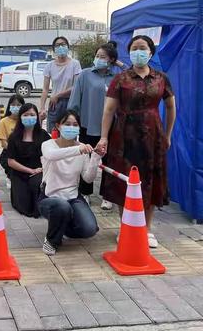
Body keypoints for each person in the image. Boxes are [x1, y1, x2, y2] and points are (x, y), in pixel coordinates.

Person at [96, 35, 176, 249]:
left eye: (143, 48)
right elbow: (109, 110)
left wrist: (167, 134)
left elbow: (170, 107)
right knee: (125, 182)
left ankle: (147, 230)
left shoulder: (161, 79)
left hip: (153, 136)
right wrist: (104, 137)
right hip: (124, 136)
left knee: (150, 181)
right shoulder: (120, 79)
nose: (138, 51)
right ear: (129, 52)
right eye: (134, 48)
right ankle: (126, 228)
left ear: (150, 52)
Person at [38, 110, 103, 255]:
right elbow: (52, 155)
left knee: (90, 229)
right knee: (62, 206)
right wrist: (78, 149)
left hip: (73, 197)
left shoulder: (82, 149)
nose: (71, 127)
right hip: (50, 197)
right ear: (58, 126)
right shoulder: (48, 145)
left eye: (75, 125)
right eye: (67, 124)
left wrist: (95, 157)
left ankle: (61, 225)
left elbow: (88, 178)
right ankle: (51, 240)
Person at [68, 43, 124, 210]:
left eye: (103, 57)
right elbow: (74, 100)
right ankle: (85, 192)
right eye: (97, 56)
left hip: (111, 127)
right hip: (88, 124)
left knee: (109, 162)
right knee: (87, 160)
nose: (98, 59)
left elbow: (133, 72)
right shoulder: (85, 75)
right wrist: (71, 121)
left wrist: (119, 64)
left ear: (111, 60)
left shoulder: (117, 77)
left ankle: (107, 196)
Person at [7, 103, 51, 218]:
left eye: (32, 115)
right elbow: (10, 161)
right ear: (20, 117)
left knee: (37, 185)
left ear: (37, 117)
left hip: (39, 171)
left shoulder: (43, 135)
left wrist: (43, 169)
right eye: (26, 115)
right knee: (24, 205)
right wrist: (30, 170)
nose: (29, 117)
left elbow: (51, 155)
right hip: (20, 173)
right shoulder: (14, 137)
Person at [40, 36, 81, 134]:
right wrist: (42, 108)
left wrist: (58, 95)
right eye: (58, 45)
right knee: (53, 132)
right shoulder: (49, 66)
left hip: (71, 102)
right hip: (55, 104)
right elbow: (45, 89)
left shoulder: (75, 64)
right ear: (54, 49)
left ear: (68, 47)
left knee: (70, 133)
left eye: (63, 44)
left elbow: (76, 86)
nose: (61, 47)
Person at [0, 94, 25, 178]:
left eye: (18, 105)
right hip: (9, 152)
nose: (16, 107)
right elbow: (3, 142)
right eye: (13, 105)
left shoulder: (25, 120)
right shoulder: (4, 121)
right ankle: (10, 176)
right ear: (9, 106)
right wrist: (15, 151)